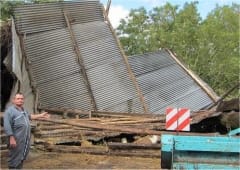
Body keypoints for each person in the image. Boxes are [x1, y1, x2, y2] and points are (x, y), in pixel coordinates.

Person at [3, 92, 50, 169]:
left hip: (24, 140)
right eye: (18, 99)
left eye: (22, 99)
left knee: (22, 156)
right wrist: (11, 138)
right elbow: (7, 125)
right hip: (16, 139)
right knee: (14, 158)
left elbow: (29, 116)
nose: (20, 100)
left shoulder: (23, 110)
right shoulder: (9, 111)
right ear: (13, 100)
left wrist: (41, 116)